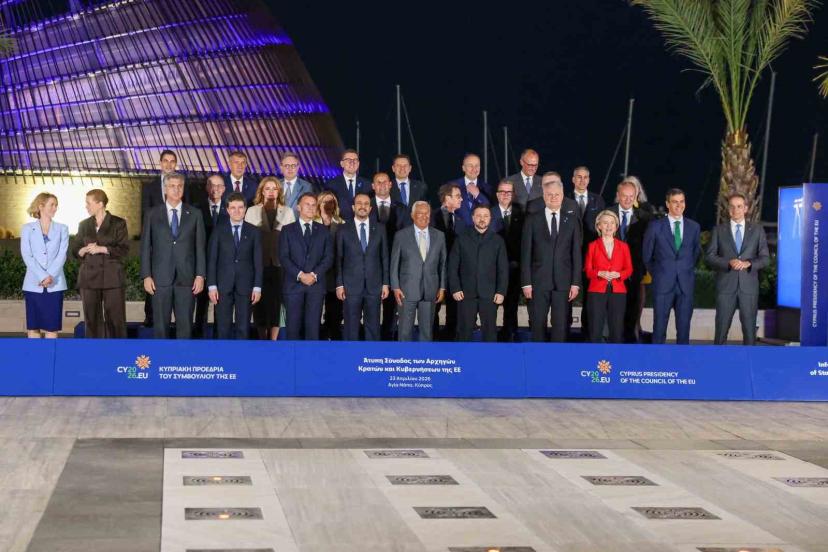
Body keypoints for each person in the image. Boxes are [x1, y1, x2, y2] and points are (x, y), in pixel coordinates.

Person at [140, 172, 206, 339]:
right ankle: (162, 355)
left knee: (185, 327)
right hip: (160, 278)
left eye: (179, 186)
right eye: (172, 186)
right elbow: (145, 246)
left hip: (187, 279)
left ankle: (182, 356)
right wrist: (146, 276)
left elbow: (200, 247)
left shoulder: (195, 214)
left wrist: (200, 275)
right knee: (160, 327)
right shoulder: (152, 214)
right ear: (165, 189)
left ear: (183, 188)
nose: (176, 189)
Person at [521, 174, 582, 342]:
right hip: (537, 283)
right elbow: (526, 253)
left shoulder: (572, 221)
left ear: (562, 196)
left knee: (561, 327)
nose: (553, 198)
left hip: (563, 283)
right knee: (537, 325)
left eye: (557, 194)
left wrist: (575, 283)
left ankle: (558, 357)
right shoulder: (532, 220)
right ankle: (538, 356)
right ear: (544, 196)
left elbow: (576, 254)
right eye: (550, 194)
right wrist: (526, 282)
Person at [705, 193, 770, 345]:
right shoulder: (719, 230)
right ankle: (717, 360)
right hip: (725, 288)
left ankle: (749, 361)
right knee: (721, 332)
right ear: (728, 210)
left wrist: (749, 264)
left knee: (749, 334)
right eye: (732, 207)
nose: (736, 210)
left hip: (749, 289)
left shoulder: (757, 230)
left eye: (739, 206)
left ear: (746, 208)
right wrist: (728, 263)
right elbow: (709, 256)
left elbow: (765, 258)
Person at [642, 188, 701, 345]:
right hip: (662, 284)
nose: (679, 205)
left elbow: (696, 253)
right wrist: (659, 274)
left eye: (682, 202)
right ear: (668, 204)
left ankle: (682, 360)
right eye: (675, 202)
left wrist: (684, 270)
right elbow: (647, 256)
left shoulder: (694, 227)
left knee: (684, 330)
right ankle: (657, 359)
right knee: (659, 328)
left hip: (685, 286)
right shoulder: (655, 227)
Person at [72, 189, 129, 338]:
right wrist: (81, 250)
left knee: (116, 320)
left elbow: (124, 249)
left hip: (112, 278)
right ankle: (94, 351)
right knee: (91, 321)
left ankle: (117, 350)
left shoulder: (118, 223)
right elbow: (74, 249)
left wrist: (102, 249)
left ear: (100, 204)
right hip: (89, 278)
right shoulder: (84, 224)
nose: (86, 206)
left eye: (89, 203)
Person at [245, 176, 296, 340]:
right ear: (261, 191)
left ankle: (273, 340)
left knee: (277, 303)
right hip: (259, 264)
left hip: (280, 264)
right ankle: (262, 339)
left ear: (279, 191)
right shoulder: (252, 211)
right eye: (267, 188)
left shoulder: (287, 211)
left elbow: (292, 240)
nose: (271, 192)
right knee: (259, 303)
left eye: (274, 188)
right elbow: (248, 239)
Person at [448, 205, 509, 342]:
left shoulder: (498, 241)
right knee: (464, 333)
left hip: (489, 295)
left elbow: (503, 269)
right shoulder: (461, 239)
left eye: (485, 216)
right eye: (479, 216)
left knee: (490, 333)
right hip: (465, 294)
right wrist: (455, 288)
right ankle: (463, 356)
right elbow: (452, 267)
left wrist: (501, 292)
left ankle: (488, 356)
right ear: (473, 218)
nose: (482, 219)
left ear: (490, 218)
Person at [207, 192, 263, 340]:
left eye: (240, 207)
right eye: (233, 208)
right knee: (222, 328)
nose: (237, 211)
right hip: (222, 286)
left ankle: (241, 354)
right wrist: (212, 286)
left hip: (246, 286)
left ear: (245, 209)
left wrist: (257, 287)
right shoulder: (218, 230)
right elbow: (212, 260)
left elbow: (258, 262)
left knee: (243, 327)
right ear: (227, 210)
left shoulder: (254, 232)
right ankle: (223, 354)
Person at [279, 193, 333, 340]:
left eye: (313, 205)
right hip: (293, 286)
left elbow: (328, 257)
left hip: (316, 287)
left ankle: (311, 355)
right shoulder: (287, 230)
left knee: (313, 330)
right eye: (307, 204)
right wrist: (301, 275)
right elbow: (284, 257)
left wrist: (314, 275)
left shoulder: (324, 230)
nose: (310, 207)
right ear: (298, 207)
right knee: (293, 330)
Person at [390, 201, 447, 342]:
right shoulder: (401, 235)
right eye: (420, 213)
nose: (424, 216)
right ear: (413, 215)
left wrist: (442, 287)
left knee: (427, 332)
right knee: (404, 331)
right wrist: (395, 287)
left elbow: (443, 264)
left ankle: (424, 355)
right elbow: (394, 264)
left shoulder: (439, 236)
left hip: (430, 290)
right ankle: (404, 355)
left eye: (427, 213)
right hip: (406, 290)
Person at [336, 192, 390, 341]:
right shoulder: (343, 229)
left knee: (373, 327)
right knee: (351, 327)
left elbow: (384, 257)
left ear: (370, 208)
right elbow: (339, 259)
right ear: (353, 207)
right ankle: (351, 354)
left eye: (366, 204)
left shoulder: (380, 229)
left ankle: (371, 354)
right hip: (350, 286)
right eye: (359, 203)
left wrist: (385, 283)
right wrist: (339, 284)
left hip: (374, 286)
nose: (363, 206)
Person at [140, 149, 184, 327]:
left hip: (178, 245)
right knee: (153, 283)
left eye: (172, 161)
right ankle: (150, 317)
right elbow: (145, 217)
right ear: (160, 163)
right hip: (157, 245)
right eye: (165, 161)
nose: (169, 164)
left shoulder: (183, 186)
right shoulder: (149, 187)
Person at [21, 193, 69, 339]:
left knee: (52, 327)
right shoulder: (27, 228)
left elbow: (62, 255)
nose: (55, 208)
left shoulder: (62, 228)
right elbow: (27, 255)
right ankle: (34, 354)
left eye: (56, 205)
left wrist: (50, 276)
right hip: (33, 284)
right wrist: (42, 276)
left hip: (55, 284)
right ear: (41, 206)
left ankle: (50, 354)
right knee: (33, 327)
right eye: (52, 205)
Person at [608, 180, 651, 342]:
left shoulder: (644, 218)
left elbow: (648, 246)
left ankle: (629, 344)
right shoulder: (607, 214)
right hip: (610, 273)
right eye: (624, 196)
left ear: (636, 197)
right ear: (618, 195)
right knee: (612, 312)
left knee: (632, 311)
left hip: (633, 273)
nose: (627, 199)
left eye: (631, 196)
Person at [584, 210, 633, 343]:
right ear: (599, 226)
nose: (609, 226)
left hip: (618, 290)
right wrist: (599, 273)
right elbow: (588, 270)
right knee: (595, 327)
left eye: (612, 223)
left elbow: (629, 270)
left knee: (616, 328)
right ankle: (594, 354)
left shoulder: (623, 246)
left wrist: (619, 274)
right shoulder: (592, 246)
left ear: (616, 226)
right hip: (597, 290)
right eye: (605, 223)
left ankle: (615, 355)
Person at [370, 172, 408, 339]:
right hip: (370, 265)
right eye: (378, 182)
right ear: (373, 186)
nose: (382, 185)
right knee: (370, 308)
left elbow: (407, 239)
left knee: (391, 309)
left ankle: (388, 342)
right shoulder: (365, 205)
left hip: (395, 265)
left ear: (391, 185)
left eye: (385, 182)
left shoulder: (402, 209)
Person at [430, 183, 467, 340]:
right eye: (458, 196)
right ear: (447, 198)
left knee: (454, 310)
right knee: (432, 309)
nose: (461, 199)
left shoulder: (461, 221)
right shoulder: (430, 217)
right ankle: (432, 340)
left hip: (454, 273)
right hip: (434, 272)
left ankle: (451, 341)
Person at [490, 179, 525, 341]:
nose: (505, 195)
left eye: (508, 192)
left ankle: (510, 335)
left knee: (511, 305)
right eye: (502, 192)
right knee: (491, 306)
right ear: (497, 195)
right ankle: (490, 337)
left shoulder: (522, 214)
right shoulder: (488, 213)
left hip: (514, 268)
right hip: (492, 269)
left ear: (513, 194)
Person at [194, 174, 228, 337]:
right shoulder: (196, 210)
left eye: (219, 186)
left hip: (223, 266)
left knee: (220, 306)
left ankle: (218, 341)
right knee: (201, 306)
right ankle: (199, 339)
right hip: (202, 264)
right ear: (207, 188)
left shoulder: (231, 209)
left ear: (224, 189)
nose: (216, 189)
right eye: (212, 185)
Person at [315, 191, 345, 340]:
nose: (328, 204)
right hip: (315, 273)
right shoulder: (312, 222)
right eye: (325, 201)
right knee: (314, 312)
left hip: (334, 273)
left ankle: (332, 338)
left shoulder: (341, 223)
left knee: (334, 312)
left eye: (331, 201)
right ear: (319, 204)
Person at [324, 149, 370, 220]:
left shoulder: (367, 184)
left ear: (358, 164)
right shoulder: (331, 184)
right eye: (348, 160)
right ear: (342, 164)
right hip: (339, 224)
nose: (352, 162)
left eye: (355, 160)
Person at [449, 153, 491, 225]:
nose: (474, 169)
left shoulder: (487, 188)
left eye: (477, 166)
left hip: (480, 230)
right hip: (457, 230)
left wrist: (478, 195)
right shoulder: (452, 185)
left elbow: (489, 209)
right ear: (463, 168)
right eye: (470, 166)